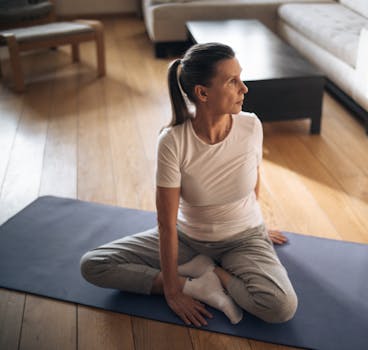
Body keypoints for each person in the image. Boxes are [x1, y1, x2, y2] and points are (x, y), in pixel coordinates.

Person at [80, 42, 298, 327]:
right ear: (202, 92)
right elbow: (166, 223)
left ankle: (213, 274)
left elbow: (253, 177)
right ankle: (195, 284)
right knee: (94, 265)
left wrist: (255, 221)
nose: (244, 88)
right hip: (187, 239)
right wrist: (173, 289)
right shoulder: (173, 141)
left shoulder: (251, 126)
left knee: (281, 307)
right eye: (232, 81)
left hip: (245, 238)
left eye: (240, 78)